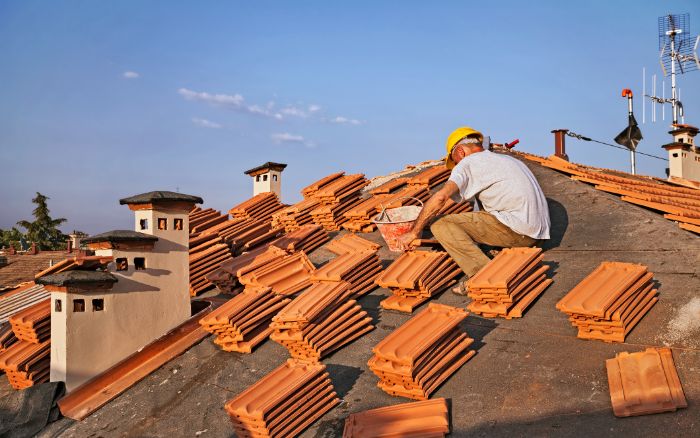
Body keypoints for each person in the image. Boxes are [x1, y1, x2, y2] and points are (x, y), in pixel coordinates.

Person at [401, 126, 550, 294]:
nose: (456, 165)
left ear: (460, 152)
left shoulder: (468, 163)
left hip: (519, 232)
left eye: (455, 161)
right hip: (540, 236)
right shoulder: (509, 160)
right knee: (481, 209)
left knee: (440, 224)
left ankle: (484, 275)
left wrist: (414, 232)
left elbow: (441, 198)